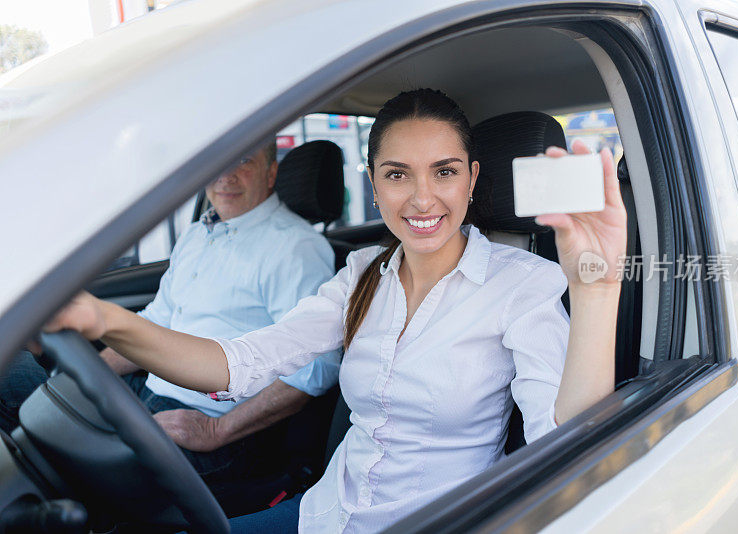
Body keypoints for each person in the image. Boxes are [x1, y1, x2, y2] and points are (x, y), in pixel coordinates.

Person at [45, 89, 627, 533]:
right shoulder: (361, 274)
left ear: (472, 180)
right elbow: (237, 363)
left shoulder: (521, 284)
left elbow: (565, 438)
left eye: (444, 172)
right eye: (398, 175)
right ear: (374, 186)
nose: (422, 199)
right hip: (324, 511)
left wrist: (596, 291)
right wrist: (105, 321)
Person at [2, 140, 340, 498]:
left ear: (271, 173)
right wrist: (86, 373)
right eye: (217, 159)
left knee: (56, 465)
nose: (226, 174)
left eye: (243, 160)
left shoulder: (295, 248)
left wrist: (217, 431)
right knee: (12, 378)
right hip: (149, 389)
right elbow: (158, 321)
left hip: (215, 422)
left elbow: (316, 370)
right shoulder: (199, 234)